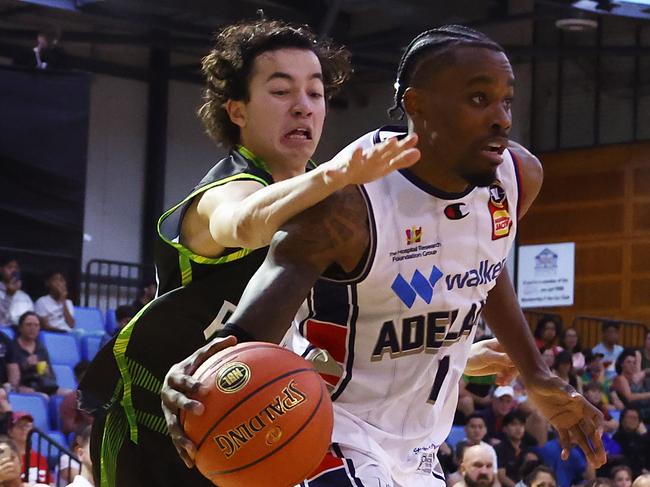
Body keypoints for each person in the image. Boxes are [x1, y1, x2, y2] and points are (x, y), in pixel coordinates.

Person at [163, 24, 606, 486]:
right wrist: (199, 377)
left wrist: (535, 374)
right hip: (328, 433)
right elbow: (245, 338)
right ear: (417, 106)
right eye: (478, 99)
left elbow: (485, 266)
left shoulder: (516, 176)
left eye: (506, 101)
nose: (502, 119)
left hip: (418, 447)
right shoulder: (346, 208)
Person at [78, 18, 419, 487]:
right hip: (156, 429)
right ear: (237, 110)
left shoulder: (330, 202)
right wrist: (336, 175)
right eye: (281, 92)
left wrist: (444, 346)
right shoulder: (224, 191)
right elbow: (245, 223)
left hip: (252, 421)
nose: (303, 107)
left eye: (315, 94)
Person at [7, 312, 59, 396]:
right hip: (22, 387)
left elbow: (52, 377)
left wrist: (47, 372)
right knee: (42, 396)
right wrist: (26, 365)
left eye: (36, 325)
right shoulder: (12, 347)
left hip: (42, 385)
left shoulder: (41, 348)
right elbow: (12, 380)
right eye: (28, 325)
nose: (33, 328)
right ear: (20, 328)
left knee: (71, 394)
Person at [6, 413, 51, 485]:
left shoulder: (40, 458)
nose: (24, 428)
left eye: (27, 426)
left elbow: (50, 483)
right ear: (10, 431)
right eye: (19, 425)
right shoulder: (5, 459)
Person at [496, 410, 536, 487]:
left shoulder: (527, 449)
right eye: (513, 424)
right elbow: (501, 477)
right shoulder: (499, 449)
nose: (518, 429)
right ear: (504, 429)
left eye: (521, 425)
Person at [611, 349, 650, 423]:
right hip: (630, 415)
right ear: (622, 364)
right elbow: (630, 397)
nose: (632, 365)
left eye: (634, 362)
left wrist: (644, 372)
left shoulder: (635, 378)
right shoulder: (620, 378)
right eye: (629, 362)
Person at [611, 408, 650, 477]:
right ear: (622, 420)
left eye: (635, 418)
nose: (632, 420)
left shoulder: (644, 436)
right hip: (628, 474)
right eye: (629, 417)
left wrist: (645, 436)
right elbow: (627, 455)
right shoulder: (617, 437)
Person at [0, 258, 34, 327]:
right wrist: (9, 295)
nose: (14, 271)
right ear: (1, 270)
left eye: (16, 268)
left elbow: (31, 320)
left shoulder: (25, 297)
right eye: (10, 267)